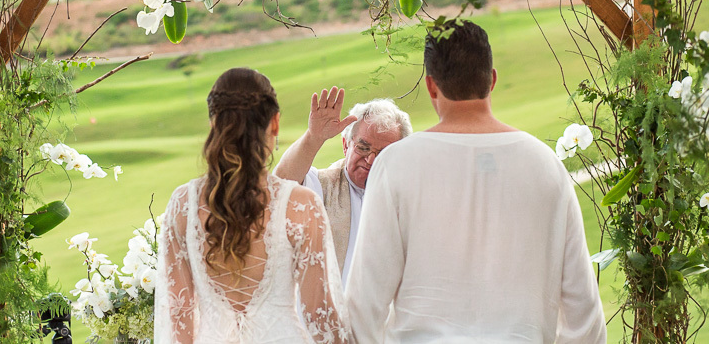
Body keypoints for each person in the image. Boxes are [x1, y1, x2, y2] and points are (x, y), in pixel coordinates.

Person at [345, 20, 606, 343]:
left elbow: (363, 304)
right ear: (491, 79)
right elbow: (584, 312)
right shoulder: (545, 164)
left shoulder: (396, 164)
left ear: (431, 86)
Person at [155, 68, 349, 344]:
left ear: (213, 125)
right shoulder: (301, 206)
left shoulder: (182, 205)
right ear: (275, 124)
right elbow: (321, 317)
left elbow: (179, 322)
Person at [274, 88, 411, 285]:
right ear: (346, 145)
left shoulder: (408, 197)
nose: (371, 160)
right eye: (363, 148)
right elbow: (281, 184)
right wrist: (313, 137)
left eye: (383, 154)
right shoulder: (321, 186)